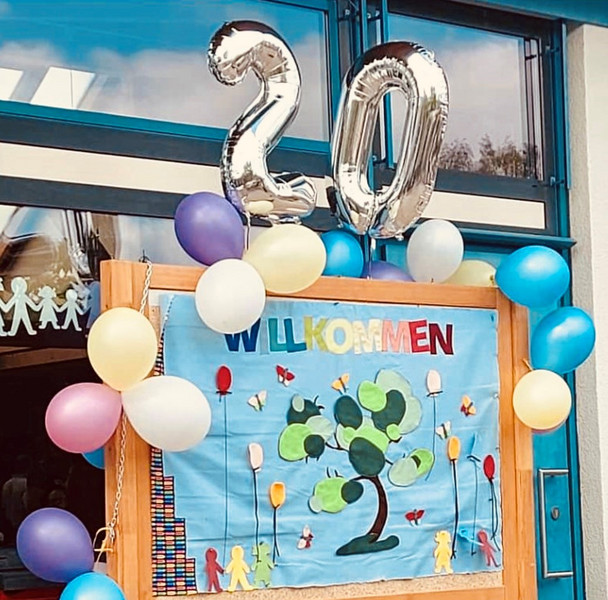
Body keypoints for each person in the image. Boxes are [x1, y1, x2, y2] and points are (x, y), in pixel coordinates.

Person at [1, 455, 29, 539]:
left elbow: (4, 504)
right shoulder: (26, 483)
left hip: (11, 520)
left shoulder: (8, 483)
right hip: (21, 520)